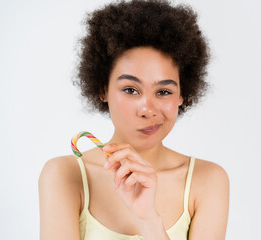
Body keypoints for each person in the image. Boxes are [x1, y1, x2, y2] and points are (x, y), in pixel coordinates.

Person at [38, 0, 229, 239]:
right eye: (130, 90)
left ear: (182, 95)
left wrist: (148, 218)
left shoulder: (207, 180)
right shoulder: (65, 175)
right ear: (103, 90)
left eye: (164, 92)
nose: (147, 109)